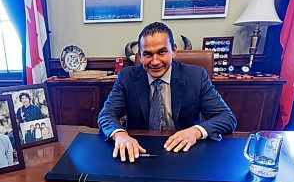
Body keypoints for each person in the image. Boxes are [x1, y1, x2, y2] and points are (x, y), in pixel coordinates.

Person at [98, 22, 236, 162]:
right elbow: (106, 114)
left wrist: (195, 131)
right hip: (139, 150)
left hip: (186, 150)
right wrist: (120, 134)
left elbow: (227, 118)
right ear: (140, 55)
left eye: (162, 52)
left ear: (174, 50)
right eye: (148, 54)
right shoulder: (127, 77)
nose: (155, 61)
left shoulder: (196, 76)